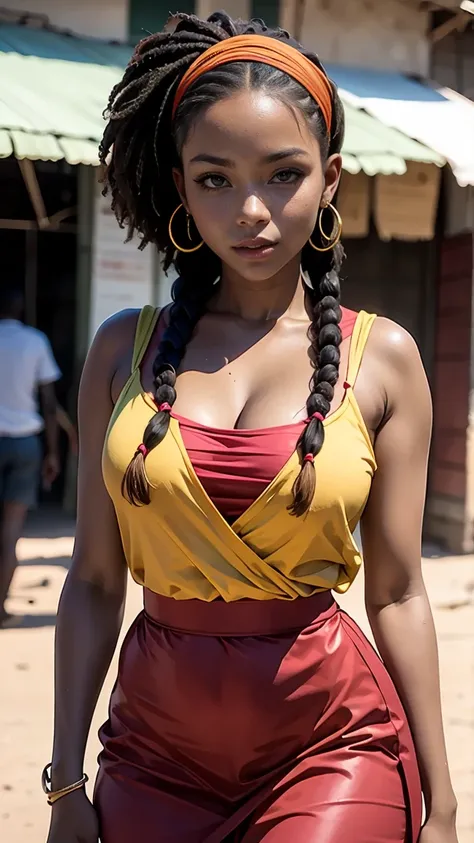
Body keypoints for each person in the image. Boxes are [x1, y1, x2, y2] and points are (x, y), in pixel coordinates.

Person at [44, 12, 457, 843]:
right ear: (180, 187)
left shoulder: (385, 361)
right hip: (154, 753)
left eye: (283, 174)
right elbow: (93, 579)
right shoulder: (122, 351)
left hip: (332, 745)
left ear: (331, 178)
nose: (253, 210)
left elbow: (401, 589)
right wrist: (64, 785)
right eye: (216, 179)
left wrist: (443, 805)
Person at [0, 285, 60, 627]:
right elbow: (49, 402)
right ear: (20, 308)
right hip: (25, 443)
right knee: (11, 530)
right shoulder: (34, 341)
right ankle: (1, 608)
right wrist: (52, 452)